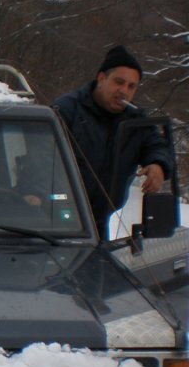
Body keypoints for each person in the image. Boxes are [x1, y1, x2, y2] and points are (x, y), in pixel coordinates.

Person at [53, 45, 172, 238]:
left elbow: (157, 145)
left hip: (100, 222)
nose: (124, 91)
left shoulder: (136, 122)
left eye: (131, 86)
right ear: (101, 78)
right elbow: (39, 154)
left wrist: (158, 165)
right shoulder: (68, 109)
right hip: (57, 218)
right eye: (119, 82)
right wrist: (37, 194)